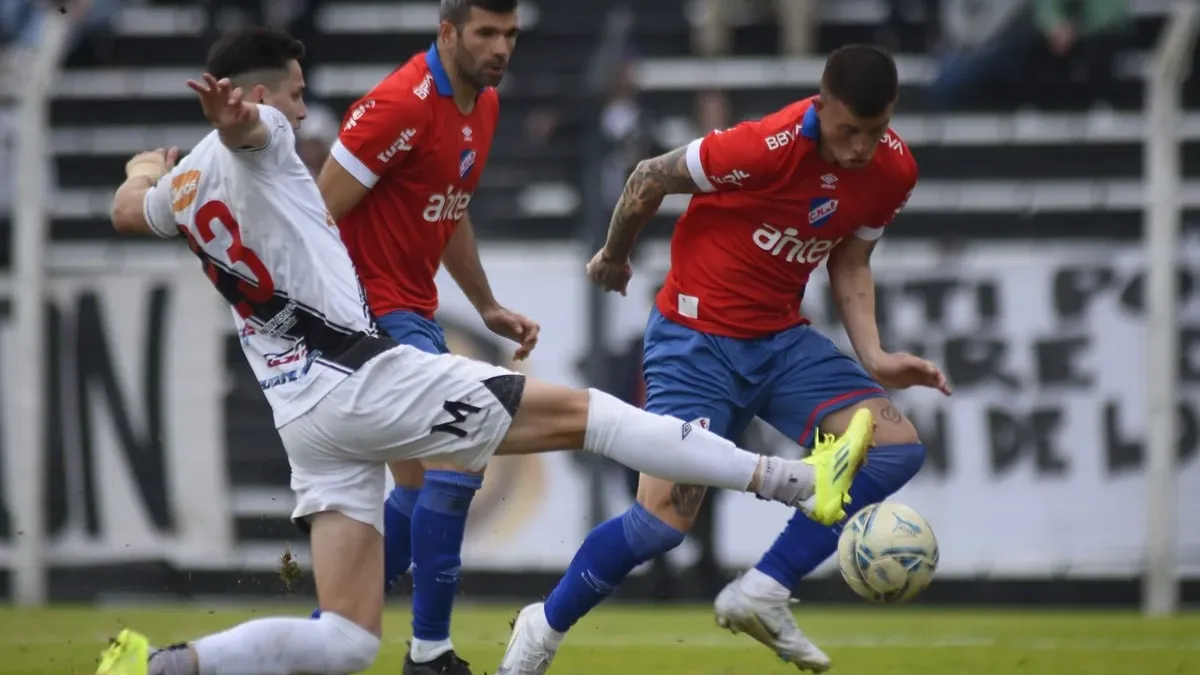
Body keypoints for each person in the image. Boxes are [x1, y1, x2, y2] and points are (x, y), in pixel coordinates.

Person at [94, 26, 872, 675]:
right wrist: (240, 123)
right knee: (590, 415)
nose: (303, 110)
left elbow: (129, 209)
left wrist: (146, 165)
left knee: (347, 638)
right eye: (295, 94)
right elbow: (252, 130)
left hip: (302, 414)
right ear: (259, 95)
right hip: (364, 379)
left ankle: (163, 666)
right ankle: (796, 479)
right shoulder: (262, 138)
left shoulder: (186, 182)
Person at [498, 44, 952, 675]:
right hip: (696, 340)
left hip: (780, 341)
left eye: (874, 133)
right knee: (661, 524)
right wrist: (614, 256)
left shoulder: (893, 171)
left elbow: (850, 258)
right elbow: (648, 177)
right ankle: (541, 628)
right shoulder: (763, 147)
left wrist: (873, 355)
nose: (859, 148)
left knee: (897, 447)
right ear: (821, 106)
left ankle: (764, 588)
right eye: (848, 130)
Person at [314, 1, 535, 673]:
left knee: (418, 488)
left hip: (413, 308)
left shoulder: (483, 107)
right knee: (458, 457)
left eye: (510, 35)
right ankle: (429, 651)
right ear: (447, 32)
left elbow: (450, 210)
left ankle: (323, 637)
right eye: (485, 34)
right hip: (372, 314)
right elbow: (318, 214)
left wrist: (487, 304)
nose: (500, 48)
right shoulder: (396, 106)